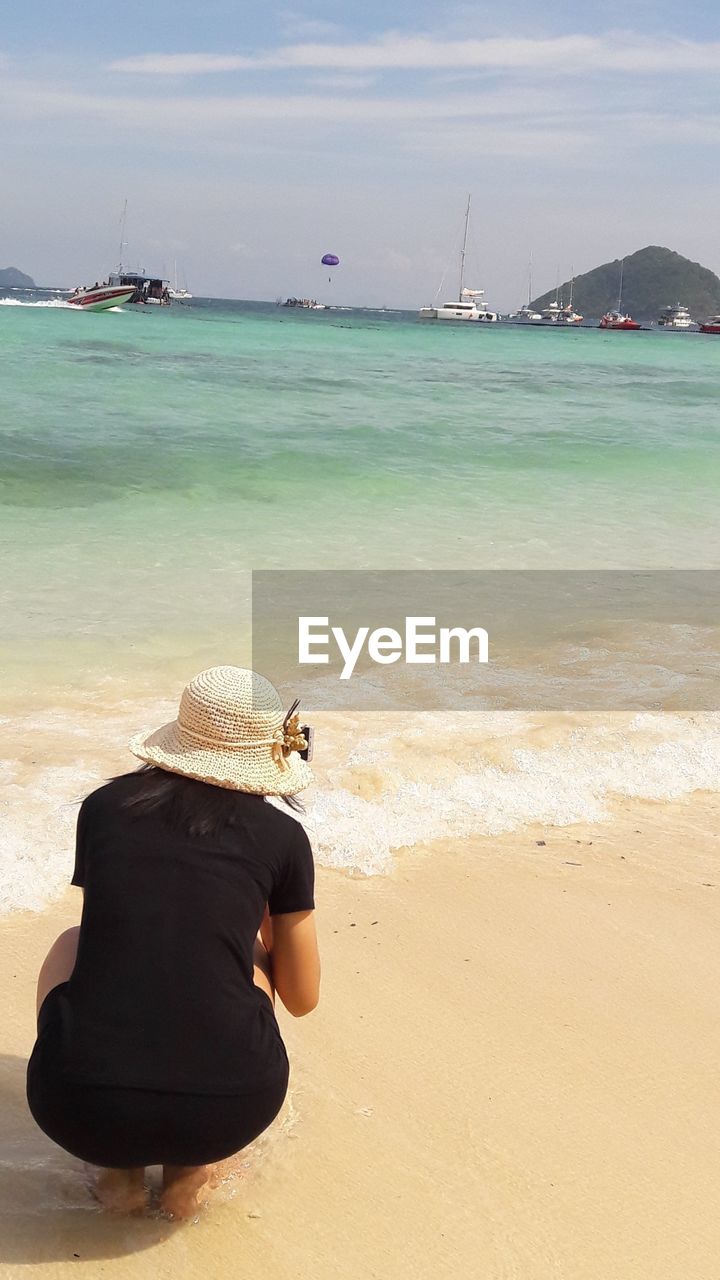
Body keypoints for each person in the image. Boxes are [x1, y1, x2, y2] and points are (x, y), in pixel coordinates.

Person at [26, 666, 321, 1219]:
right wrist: (260, 909)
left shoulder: (106, 808)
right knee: (241, 960)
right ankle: (191, 1171)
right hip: (231, 1109)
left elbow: (131, 935)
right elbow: (302, 997)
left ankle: (117, 1173)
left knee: (76, 940)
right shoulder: (282, 837)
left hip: (76, 1107)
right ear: (269, 748)